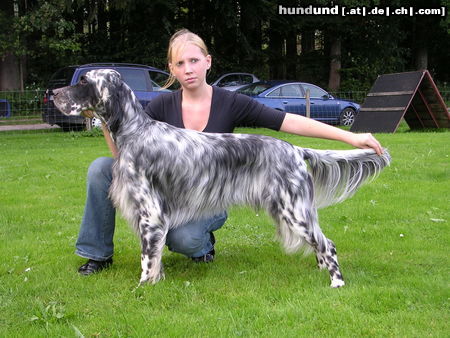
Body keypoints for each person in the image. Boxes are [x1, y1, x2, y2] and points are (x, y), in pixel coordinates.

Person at [76, 29, 383, 275]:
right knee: (102, 168)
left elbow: (287, 121)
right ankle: (96, 255)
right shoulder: (161, 106)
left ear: (208, 61)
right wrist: (104, 116)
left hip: (215, 194)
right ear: (171, 69)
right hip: (175, 195)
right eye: (180, 64)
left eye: (194, 61)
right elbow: (125, 158)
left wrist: (351, 138)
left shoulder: (230, 101)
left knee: (184, 239)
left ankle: (203, 244)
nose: (188, 69)